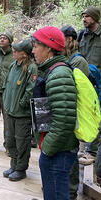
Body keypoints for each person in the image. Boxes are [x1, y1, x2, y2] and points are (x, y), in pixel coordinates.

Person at [32, 26, 79, 200]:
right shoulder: (51, 70)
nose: (33, 50)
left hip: (59, 150)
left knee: (57, 195)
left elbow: (64, 120)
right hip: (55, 148)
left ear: (49, 47)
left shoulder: (59, 74)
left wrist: (47, 149)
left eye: (36, 45)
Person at [61, 25, 90, 200]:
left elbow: (80, 92)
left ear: (70, 40)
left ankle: (71, 192)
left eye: (61, 38)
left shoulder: (78, 61)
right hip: (65, 112)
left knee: (71, 153)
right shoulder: (65, 57)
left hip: (74, 114)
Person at [2, 39, 37, 181]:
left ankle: (21, 169)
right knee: (10, 141)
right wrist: (6, 102)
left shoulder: (31, 68)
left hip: (22, 114)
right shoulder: (12, 65)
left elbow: (30, 90)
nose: (13, 52)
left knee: (22, 142)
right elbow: (6, 85)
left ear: (24, 54)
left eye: (17, 50)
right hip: (10, 112)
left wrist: (22, 104)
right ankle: (13, 165)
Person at [78, 6, 101, 166]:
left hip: (99, 83)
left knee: (97, 115)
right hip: (84, 81)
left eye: (87, 16)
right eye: (83, 16)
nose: (84, 19)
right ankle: (83, 147)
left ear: (95, 18)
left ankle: (92, 152)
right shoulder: (82, 35)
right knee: (84, 112)